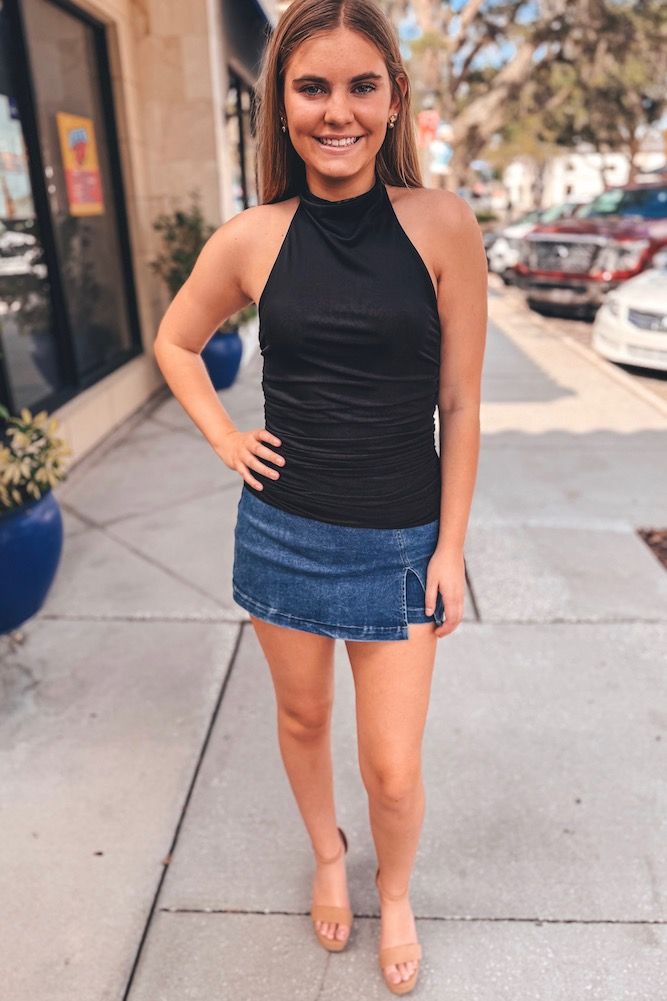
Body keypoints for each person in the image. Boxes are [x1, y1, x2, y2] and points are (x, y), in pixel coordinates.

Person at [153, 0, 487, 993]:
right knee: (302, 721)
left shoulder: (442, 224)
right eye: (311, 88)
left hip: (400, 541)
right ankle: (329, 856)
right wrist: (225, 436)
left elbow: (460, 404)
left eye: (359, 86)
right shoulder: (252, 237)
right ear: (280, 103)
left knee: (392, 765)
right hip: (283, 533)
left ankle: (396, 889)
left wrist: (449, 547)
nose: (336, 111)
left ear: (393, 98)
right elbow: (175, 341)